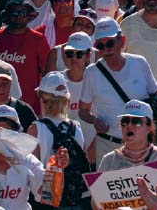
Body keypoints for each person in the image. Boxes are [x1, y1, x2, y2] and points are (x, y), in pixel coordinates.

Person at [78, 17, 157, 167]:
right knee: (105, 190)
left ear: (122, 41)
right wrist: (95, 121)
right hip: (108, 144)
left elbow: (155, 96)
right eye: (100, 46)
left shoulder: (139, 63)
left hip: (142, 147)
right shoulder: (91, 72)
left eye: (110, 43)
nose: (106, 50)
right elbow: (82, 111)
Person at [27, 71, 93, 210]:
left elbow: (31, 170)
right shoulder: (76, 127)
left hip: (45, 202)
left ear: (42, 99)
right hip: (74, 201)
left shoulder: (36, 129)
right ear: (66, 101)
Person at [98, 100, 157, 196]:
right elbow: (96, 201)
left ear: (149, 128)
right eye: (124, 121)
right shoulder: (109, 160)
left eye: (136, 121)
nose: (129, 126)